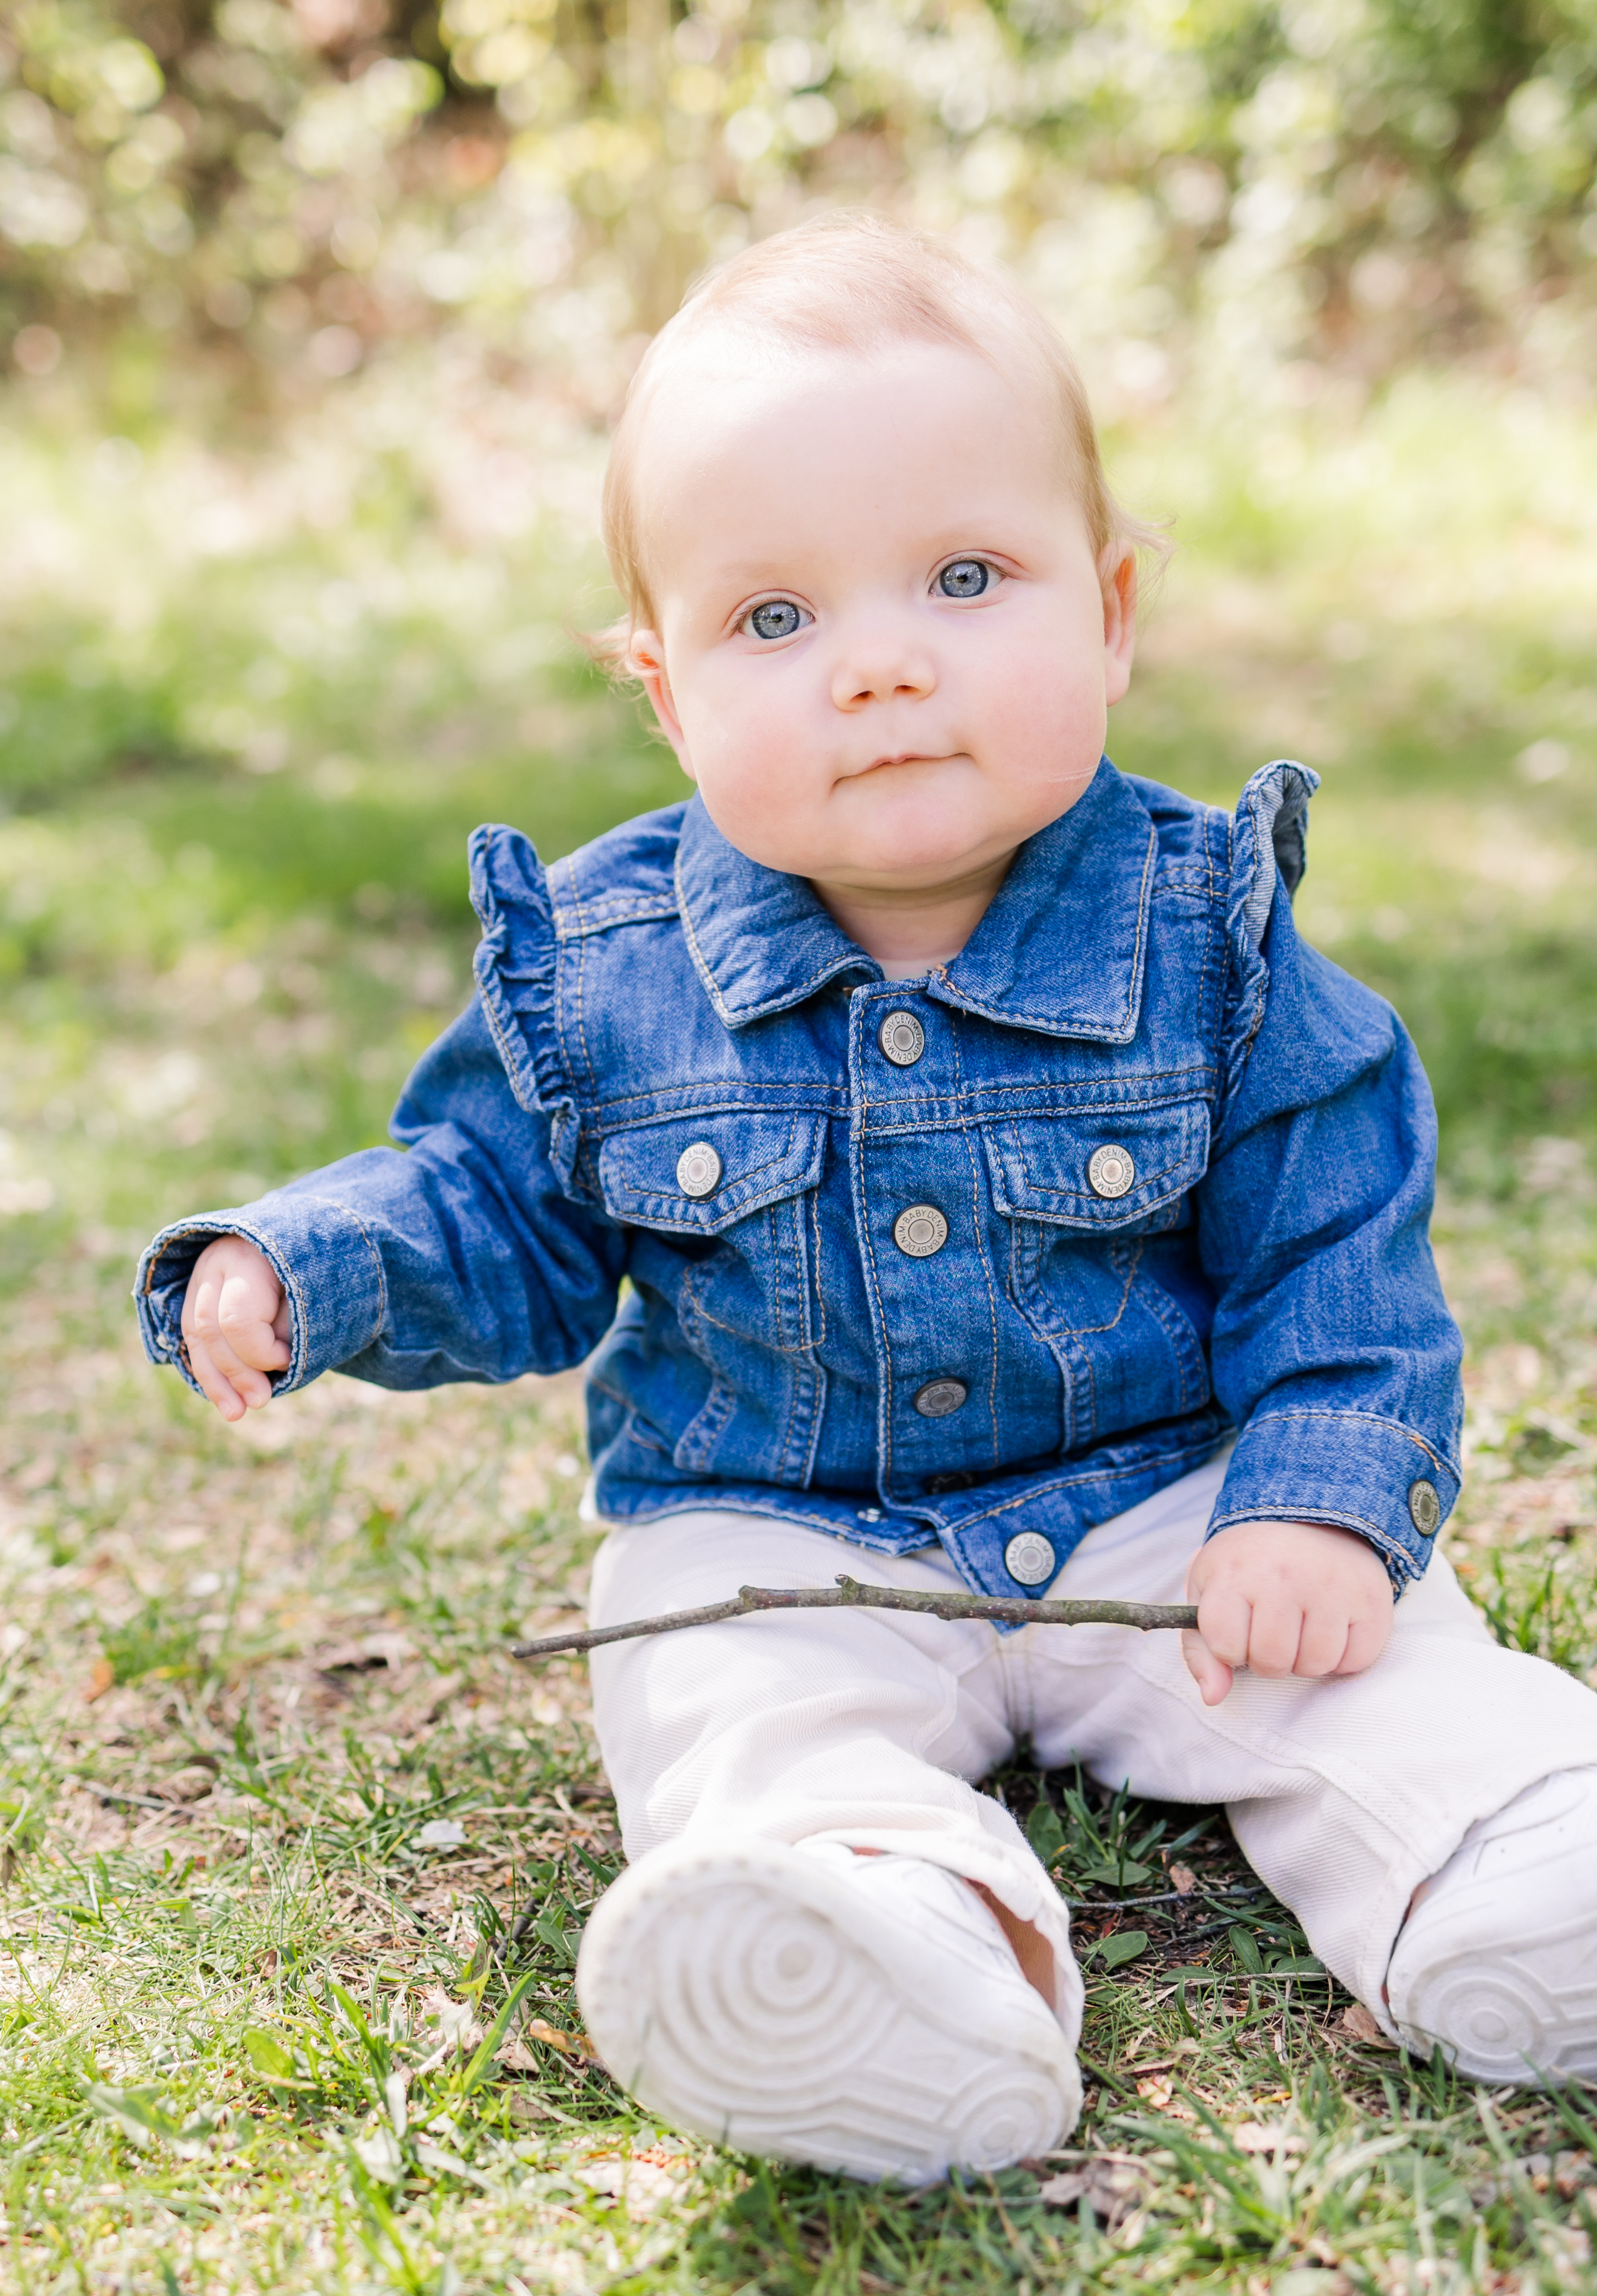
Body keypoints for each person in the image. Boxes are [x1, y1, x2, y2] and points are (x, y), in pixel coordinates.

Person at [135, 212, 1597, 2185]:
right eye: (775, 622)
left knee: (1373, 1663)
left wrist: (1322, 1494)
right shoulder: (608, 970)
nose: (884, 665)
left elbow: (1335, 1246)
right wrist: (308, 1264)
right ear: (663, 696)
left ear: (1113, 611)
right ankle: (895, 1946)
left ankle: (1510, 1862)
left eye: (968, 578)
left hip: (1161, 1511)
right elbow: (495, 1201)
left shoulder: (1212, 944)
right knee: (725, 1697)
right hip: (780, 1528)